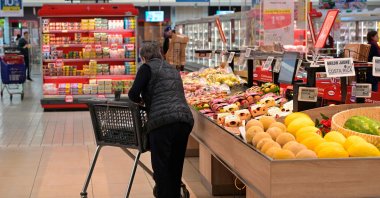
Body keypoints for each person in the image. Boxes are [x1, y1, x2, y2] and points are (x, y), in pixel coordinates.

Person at [128, 41, 194, 198]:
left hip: (162, 123)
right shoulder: (172, 68)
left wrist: (142, 101)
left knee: (161, 167)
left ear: (144, 57)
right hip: (184, 120)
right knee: (175, 166)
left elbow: (133, 94)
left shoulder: (146, 68)